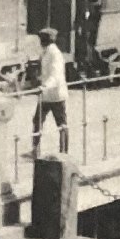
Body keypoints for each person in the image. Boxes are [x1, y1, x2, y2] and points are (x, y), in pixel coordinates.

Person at [33, 27, 68, 156]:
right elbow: (45, 72)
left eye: (41, 39)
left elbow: (55, 75)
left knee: (61, 124)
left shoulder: (55, 54)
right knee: (37, 121)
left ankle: (64, 151)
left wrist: (44, 86)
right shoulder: (45, 52)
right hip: (45, 96)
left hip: (56, 95)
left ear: (45, 40)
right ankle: (35, 149)